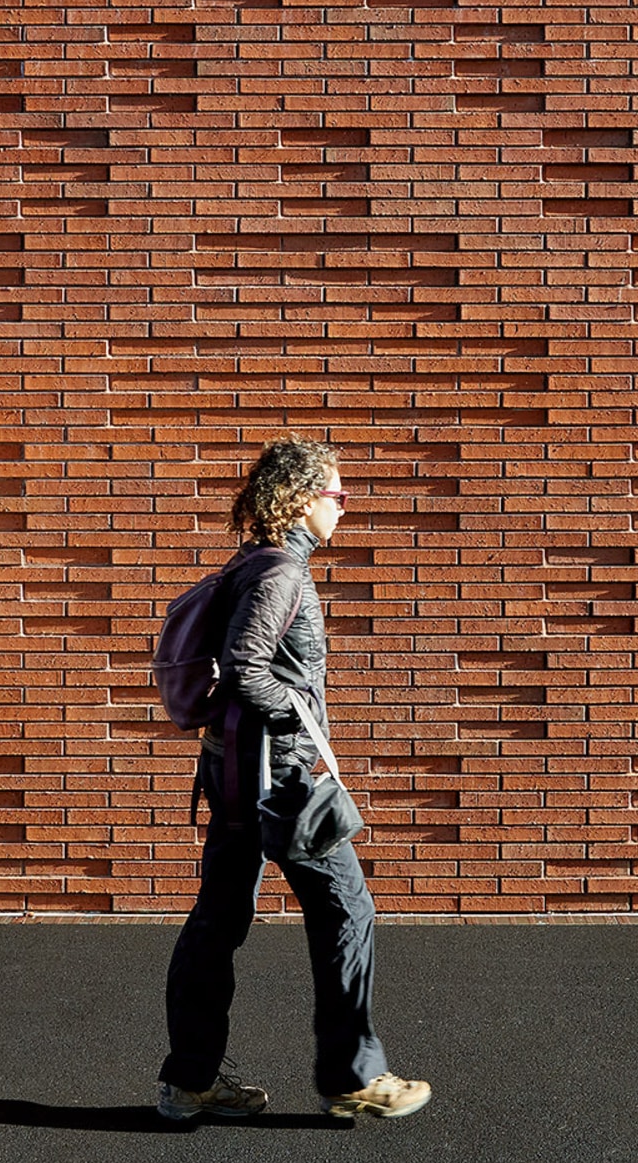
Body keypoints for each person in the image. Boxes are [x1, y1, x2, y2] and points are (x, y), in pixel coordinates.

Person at [156, 435, 432, 1122]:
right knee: (348, 910)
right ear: (306, 498)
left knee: (219, 921)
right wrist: (299, 717)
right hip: (276, 781)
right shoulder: (282, 573)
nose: (344, 508)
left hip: (234, 771)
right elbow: (247, 667)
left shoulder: (255, 562)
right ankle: (354, 1077)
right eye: (339, 496)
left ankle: (189, 1082)